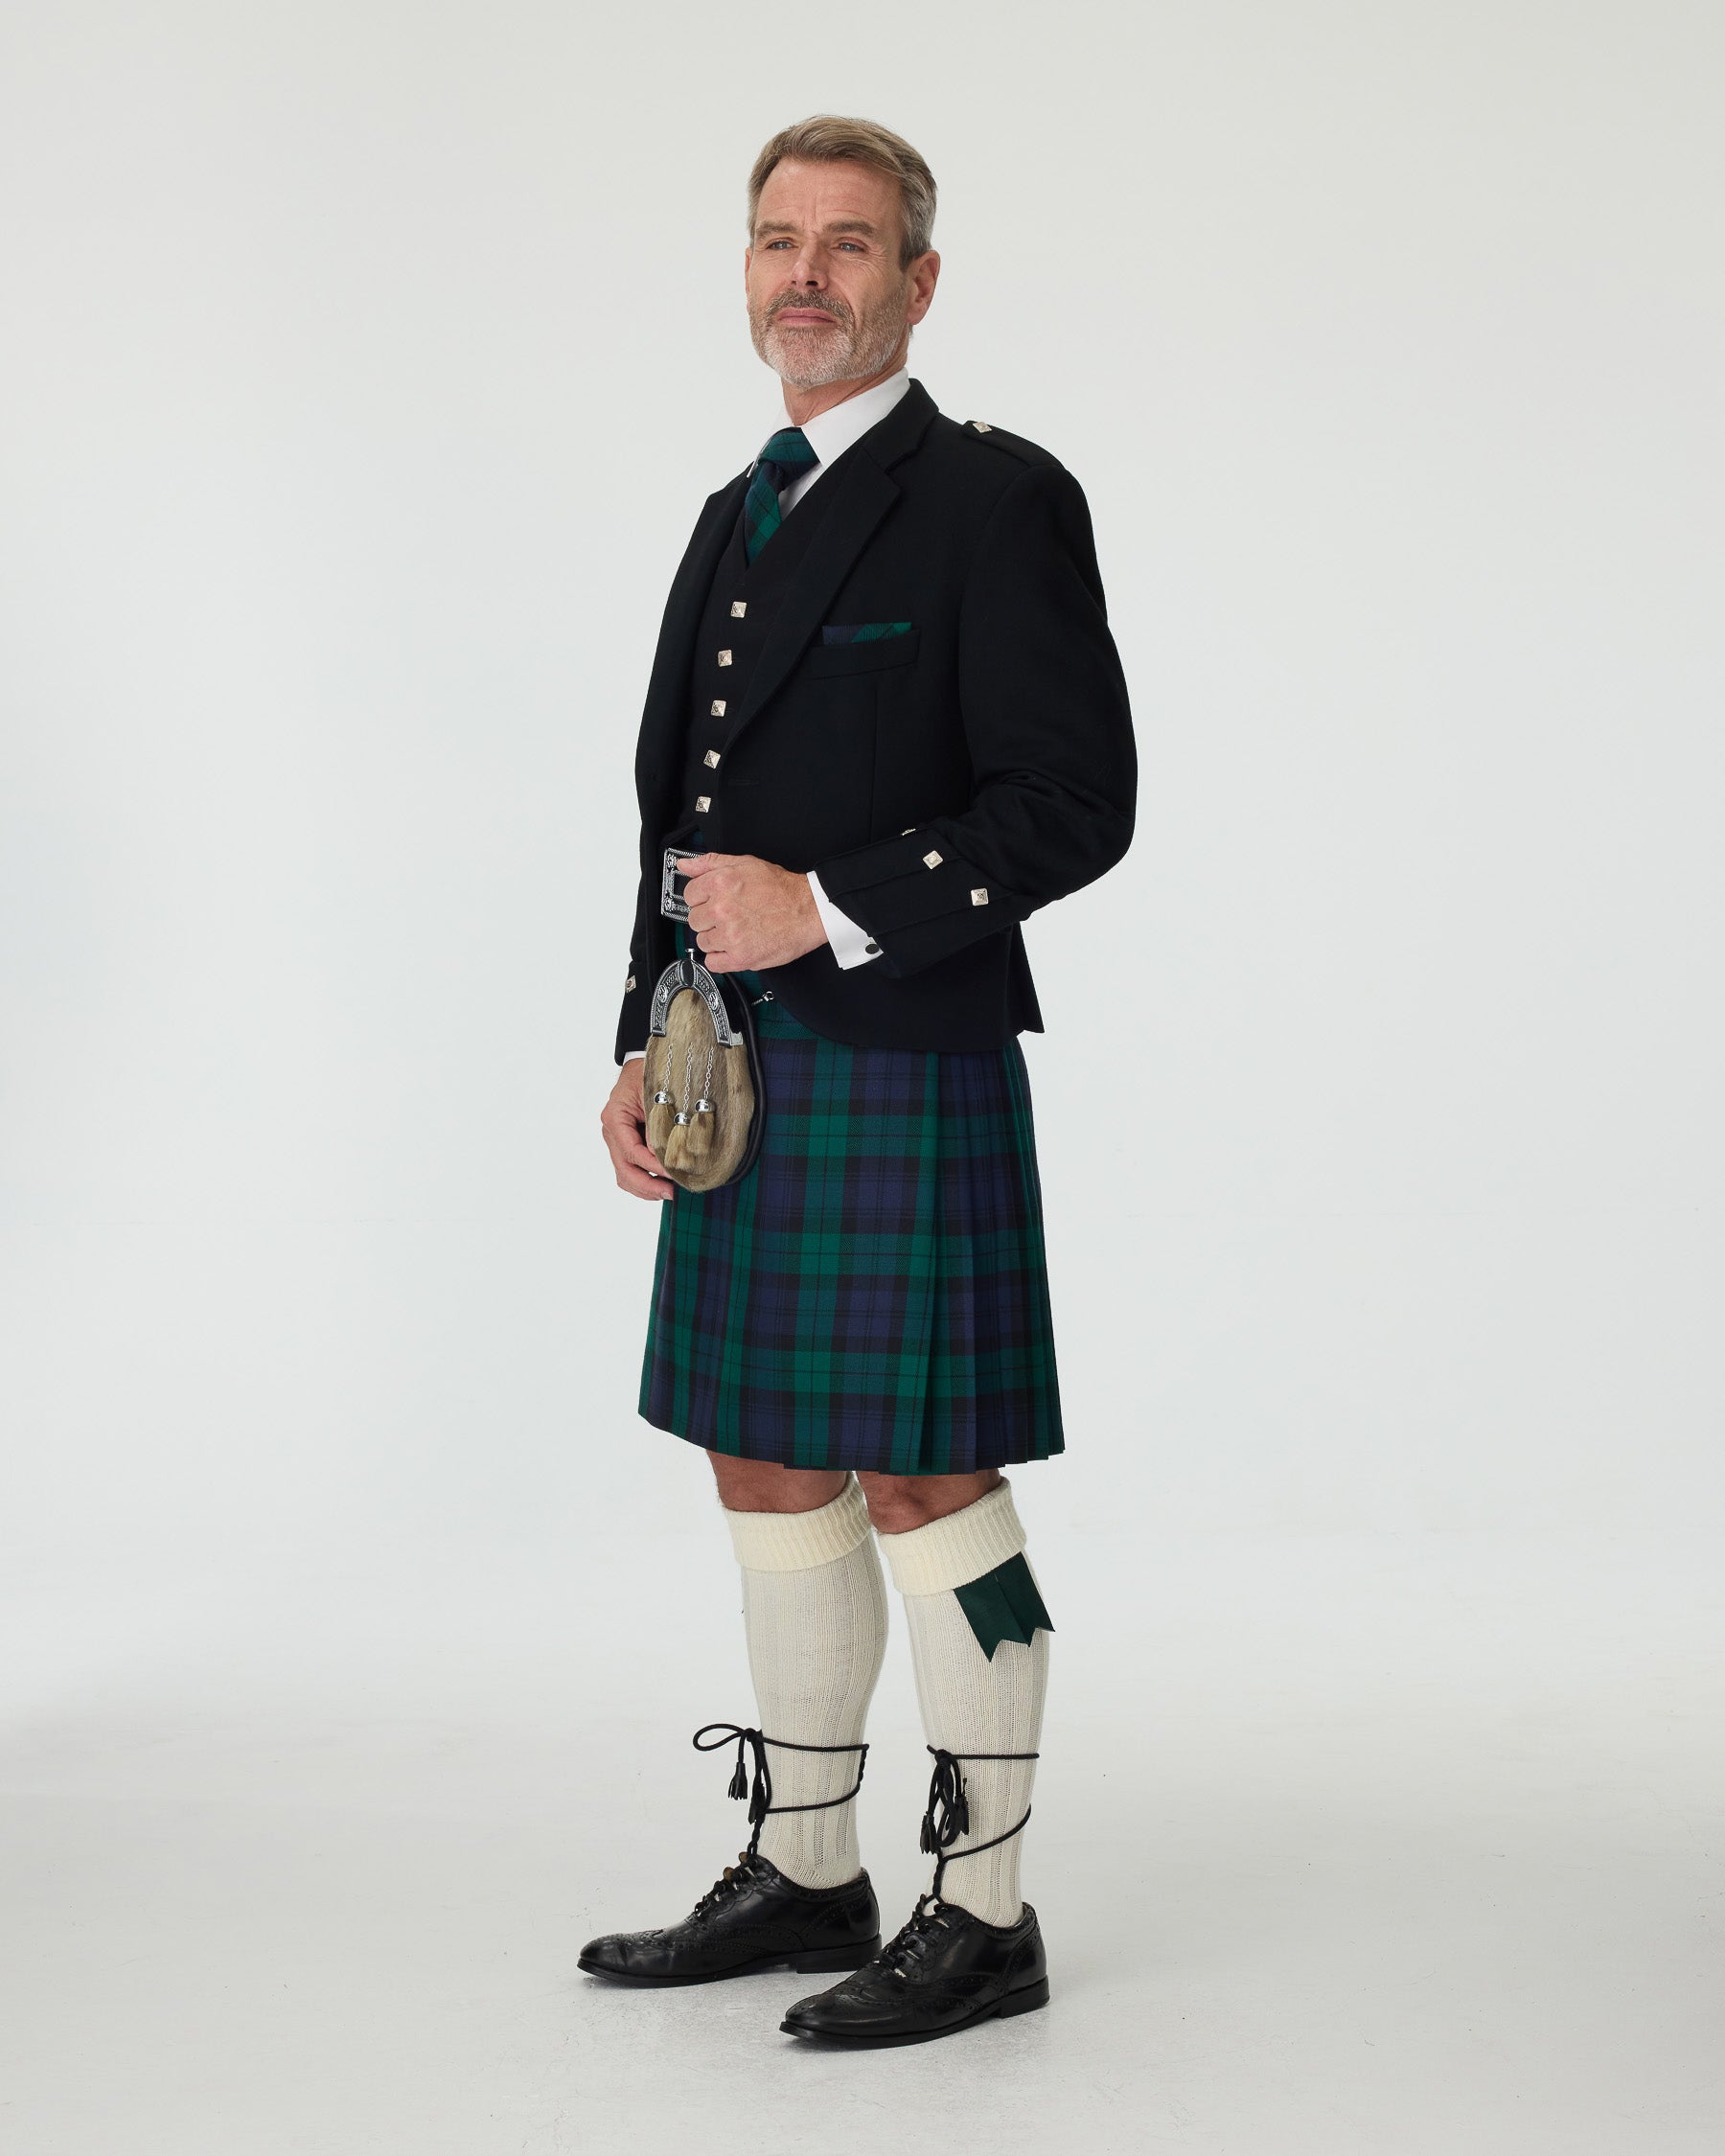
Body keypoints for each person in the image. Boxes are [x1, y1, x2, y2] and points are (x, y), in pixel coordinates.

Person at [585, 114, 1136, 2047]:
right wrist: (640, 1045)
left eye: (847, 242)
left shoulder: (994, 499)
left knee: (931, 1482)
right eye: (773, 240)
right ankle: (811, 1864)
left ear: (918, 279)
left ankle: (985, 1904)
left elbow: (1080, 801)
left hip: (904, 1054)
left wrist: (833, 908)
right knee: (762, 1458)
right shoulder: (725, 516)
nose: (802, 273)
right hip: (737, 1077)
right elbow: (674, 822)